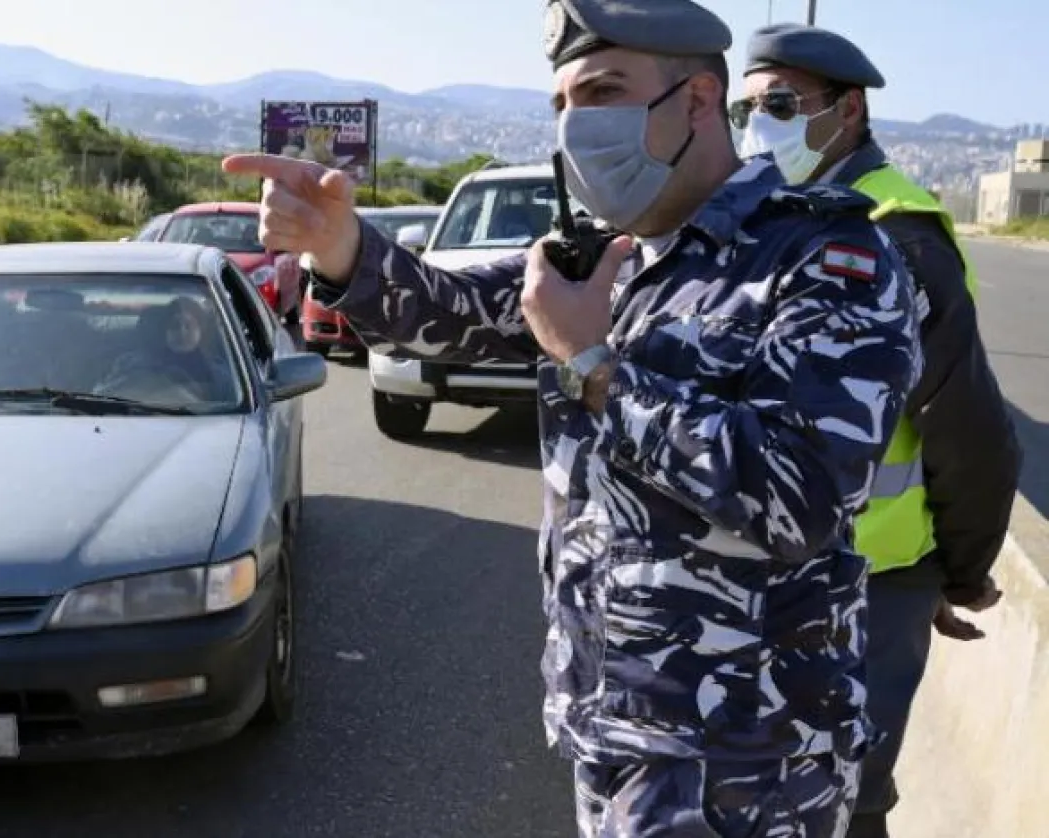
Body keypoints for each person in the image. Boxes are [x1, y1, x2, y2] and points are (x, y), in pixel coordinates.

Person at [223, 0, 924, 834]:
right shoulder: (611, 252)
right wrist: (340, 246)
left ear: (699, 100)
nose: (575, 124)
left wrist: (593, 366)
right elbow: (455, 311)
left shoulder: (826, 260)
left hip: (746, 757)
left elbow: (800, 496)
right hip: (612, 726)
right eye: (561, 103)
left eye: (602, 92)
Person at [736, 25, 1022, 838]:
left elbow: (967, 426)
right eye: (746, 110)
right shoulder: (769, 215)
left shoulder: (896, 232)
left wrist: (959, 571)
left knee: (845, 798)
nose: (759, 127)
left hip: (870, 581)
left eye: (780, 105)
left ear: (849, 110)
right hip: (773, 567)